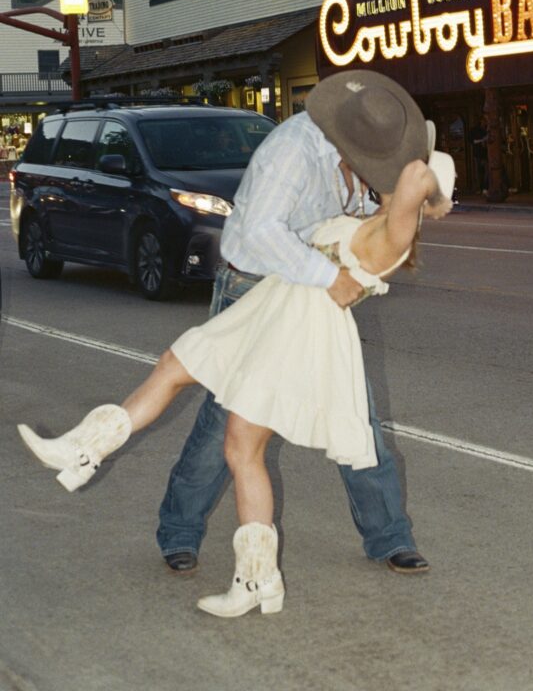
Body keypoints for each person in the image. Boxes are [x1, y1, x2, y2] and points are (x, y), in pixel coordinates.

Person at [17, 148, 453, 618]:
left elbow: (409, 175)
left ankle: (257, 581)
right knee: (175, 364)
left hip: (293, 334)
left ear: (422, 193)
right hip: (268, 312)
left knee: (240, 448)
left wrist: (417, 159)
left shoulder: (393, 238)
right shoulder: (367, 214)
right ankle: (82, 452)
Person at [469, 115, 488, 193]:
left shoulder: (487, 129)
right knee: (478, 171)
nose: (485, 123)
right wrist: (482, 140)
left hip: (486, 153)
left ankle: (485, 187)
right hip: (478, 153)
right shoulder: (474, 130)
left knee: (487, 171)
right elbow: (472, 141)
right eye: (484, 121)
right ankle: (480, 188)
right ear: (481, 121)